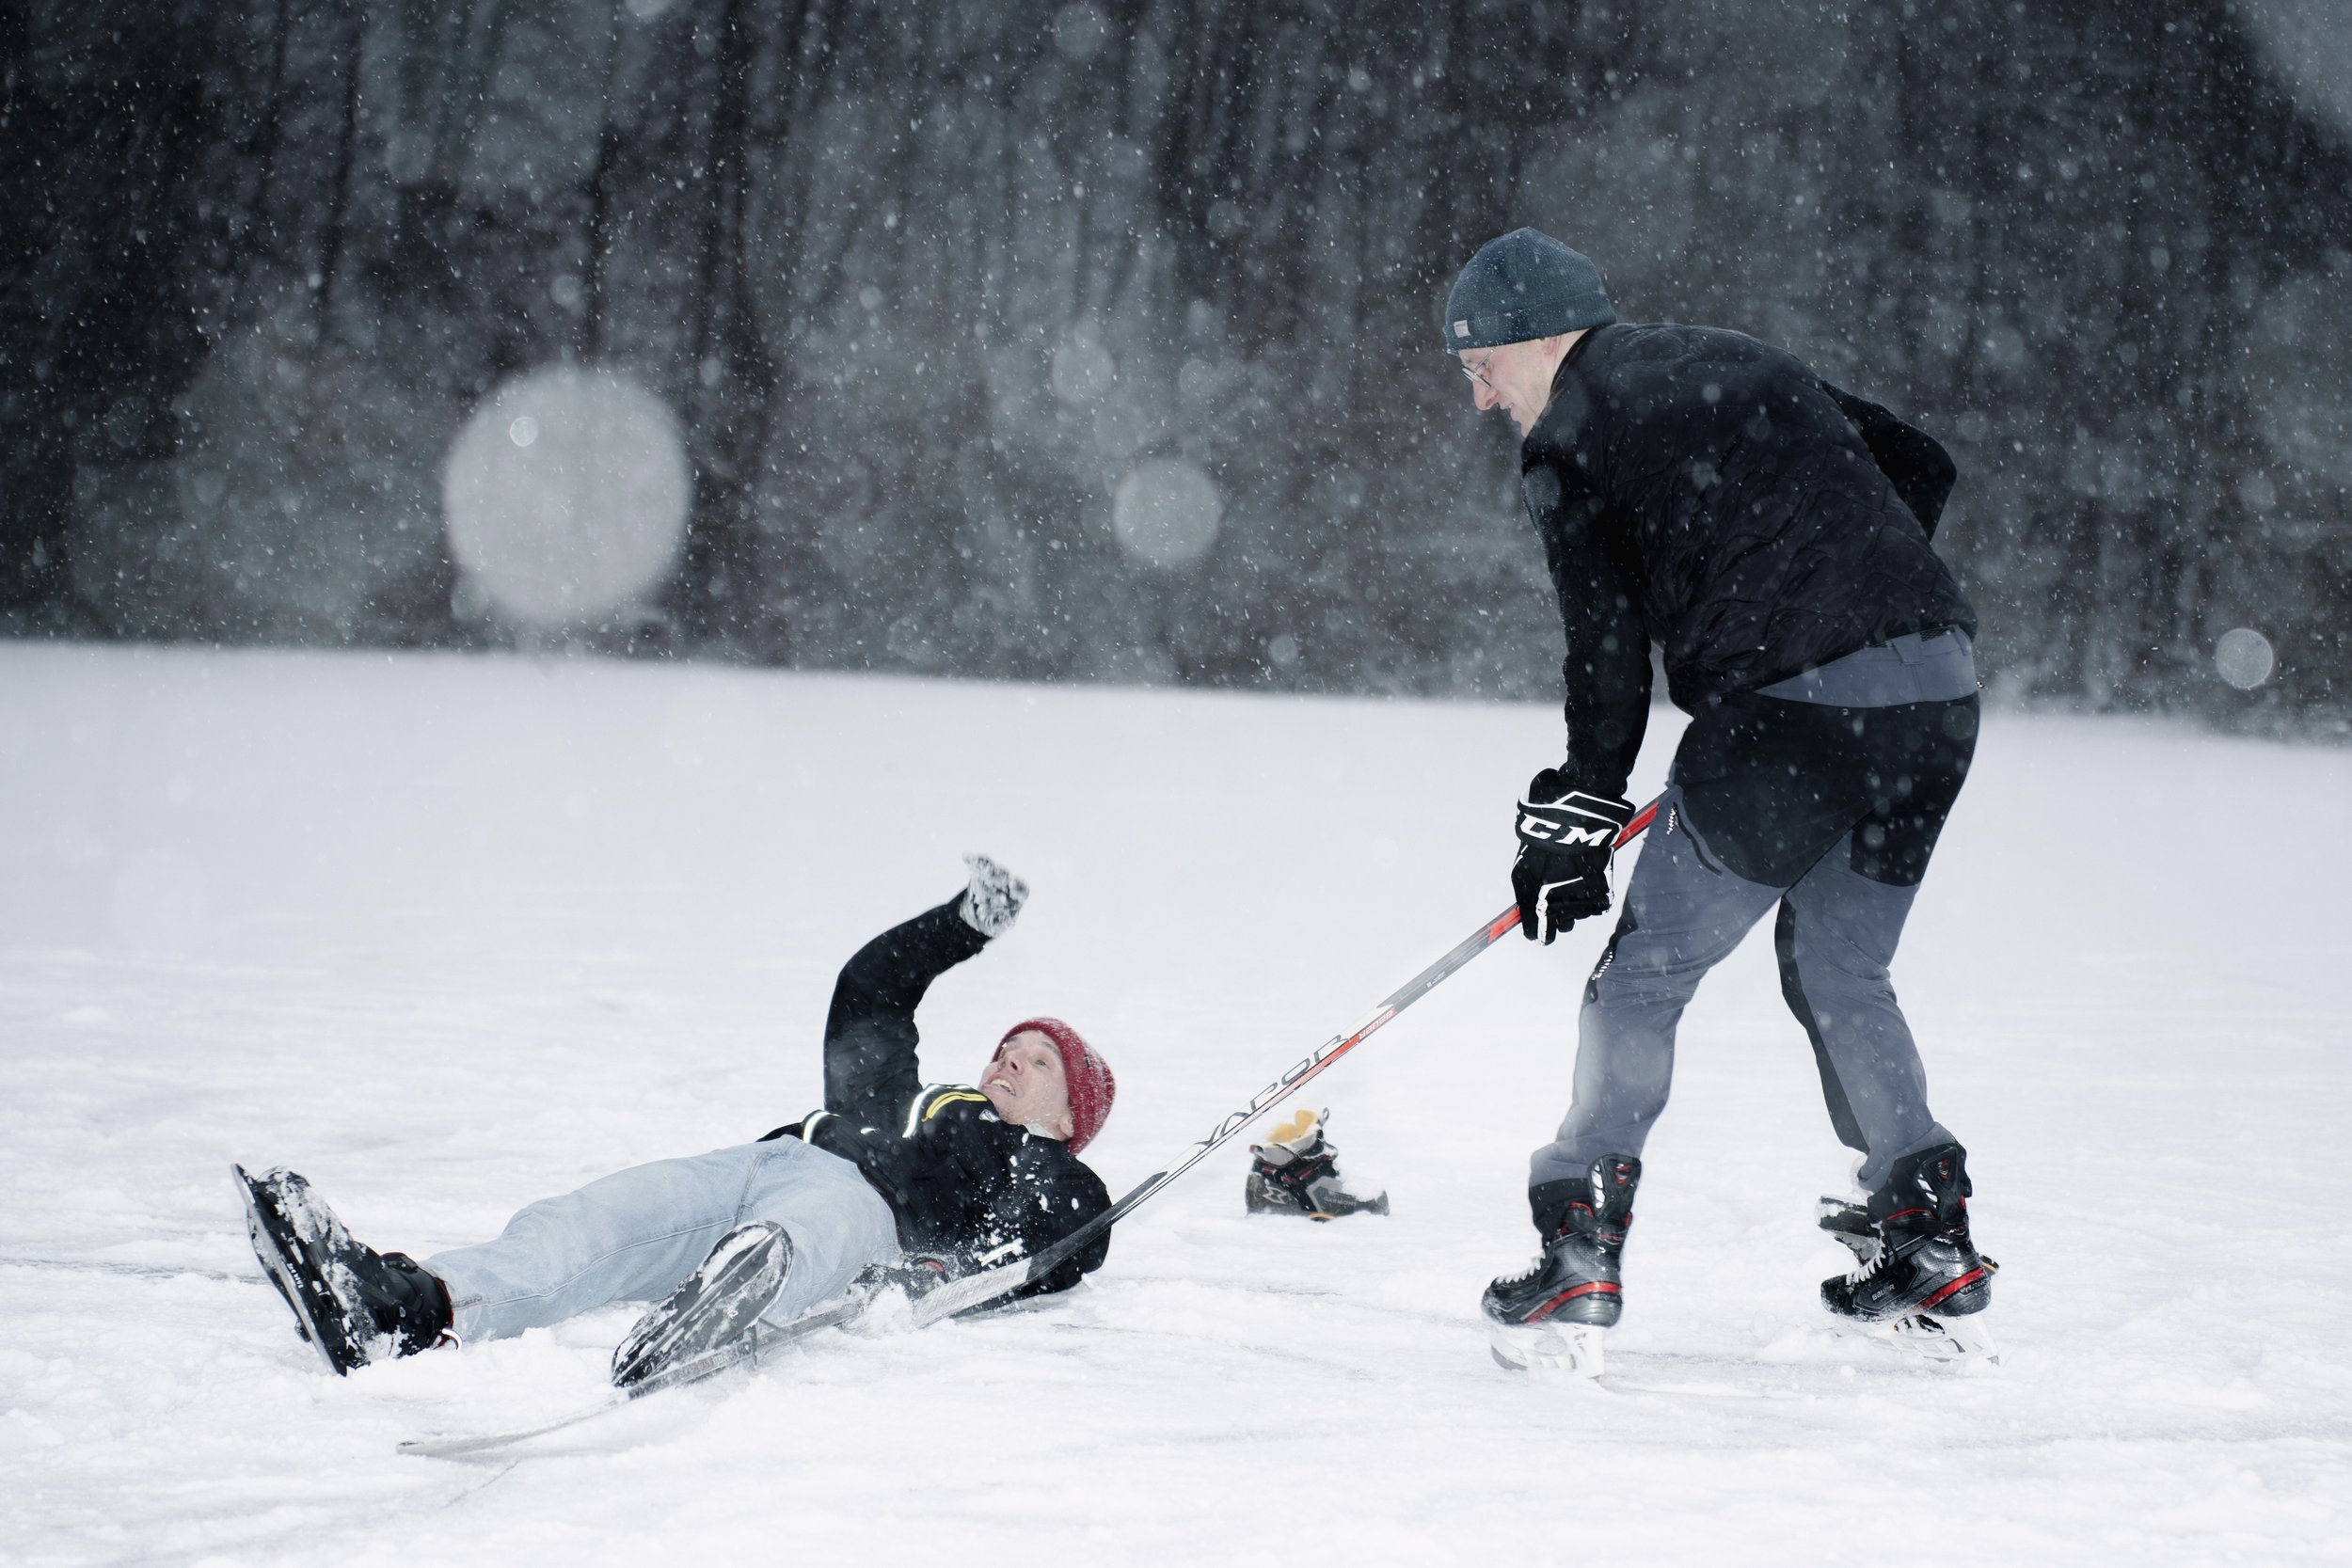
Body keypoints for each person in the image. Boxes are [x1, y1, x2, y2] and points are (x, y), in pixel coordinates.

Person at [1440, 230, 1994, 1371]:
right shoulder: (1739, 357)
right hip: (1934, 692)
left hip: (1788, 719)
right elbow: (1921, 462)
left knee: (1643, 974)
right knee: (1845, 969)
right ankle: (1928, 1230)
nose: (1484, 397)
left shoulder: (1568, 444)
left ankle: (1579, 1243)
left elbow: (1604, 652)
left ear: (1544, 337)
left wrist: (1578, 813)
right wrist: (1844, 597)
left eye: (1484, 366)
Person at [237, 856, 1116, 1383]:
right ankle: (398, 1309)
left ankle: (724, 1303)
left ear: (1072, 1113)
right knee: (582, 1223)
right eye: (1008, 1044)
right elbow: (869, 994)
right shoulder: (909, 1101)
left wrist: (960, 1251)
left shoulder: (1048, 1174)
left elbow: (1064, 1238)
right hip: (766, 1158)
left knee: (801, 1235)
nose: (1010, 1058)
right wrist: (960, 927)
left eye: (1039, 1061)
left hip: (868, 1214)